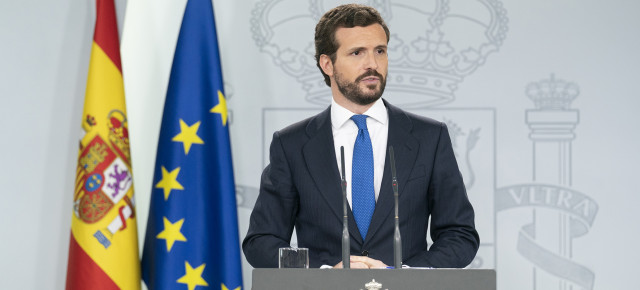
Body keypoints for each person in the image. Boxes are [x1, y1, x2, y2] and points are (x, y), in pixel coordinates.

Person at [242, 4, 479, 269]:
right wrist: (323, 276)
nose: (373, 64)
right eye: (357, 53)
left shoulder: (430, 138)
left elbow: (460, 235)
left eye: (380, 51)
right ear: (327, 64)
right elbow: (262, 241)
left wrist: (403, 277)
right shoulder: (292, 145)